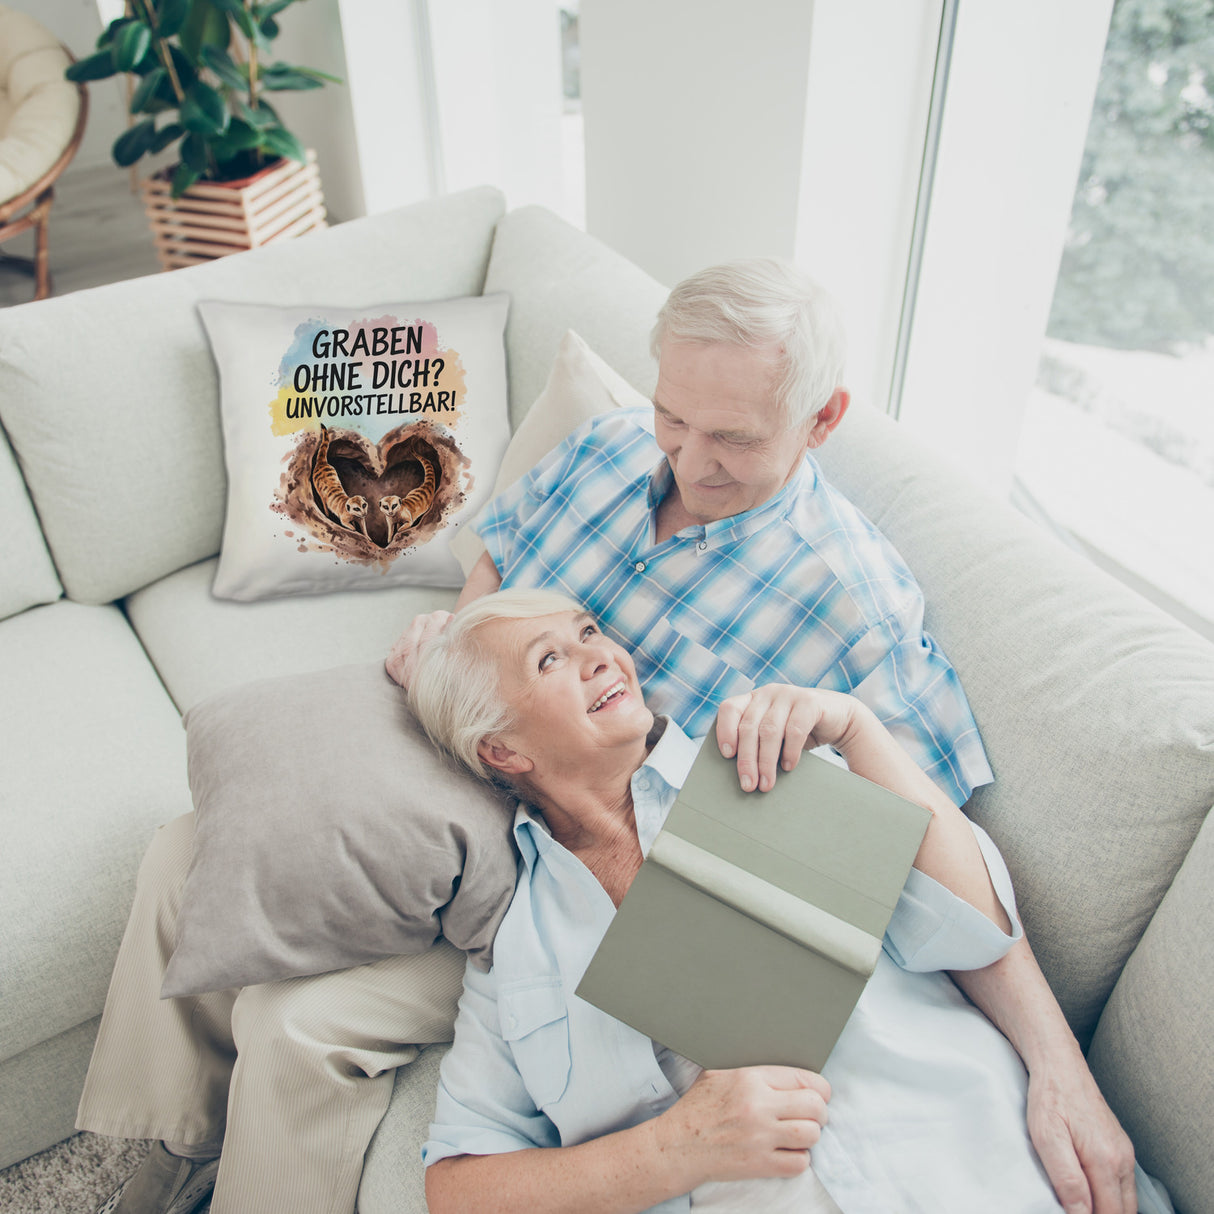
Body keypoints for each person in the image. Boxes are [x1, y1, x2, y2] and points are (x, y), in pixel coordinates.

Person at [388, 259, 1136, 1213]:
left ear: (822, 420)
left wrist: (1058, 1068)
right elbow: (500, 554)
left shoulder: (832, 657)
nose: (689, 462)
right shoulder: (608, 450)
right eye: (674, 418)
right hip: (492, 836)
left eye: (732, 438)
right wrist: (461, 661)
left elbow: (944, 885)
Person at [407, 588, 1160, 1214]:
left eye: (589, 632)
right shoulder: (517, 951)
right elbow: (458, 1187)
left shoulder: (762, 761)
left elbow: (972, 929)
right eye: (550, 659)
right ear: (502, 750)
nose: (601, 655)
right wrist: (674, 1149)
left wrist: (859, 731)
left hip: (985, 1167)